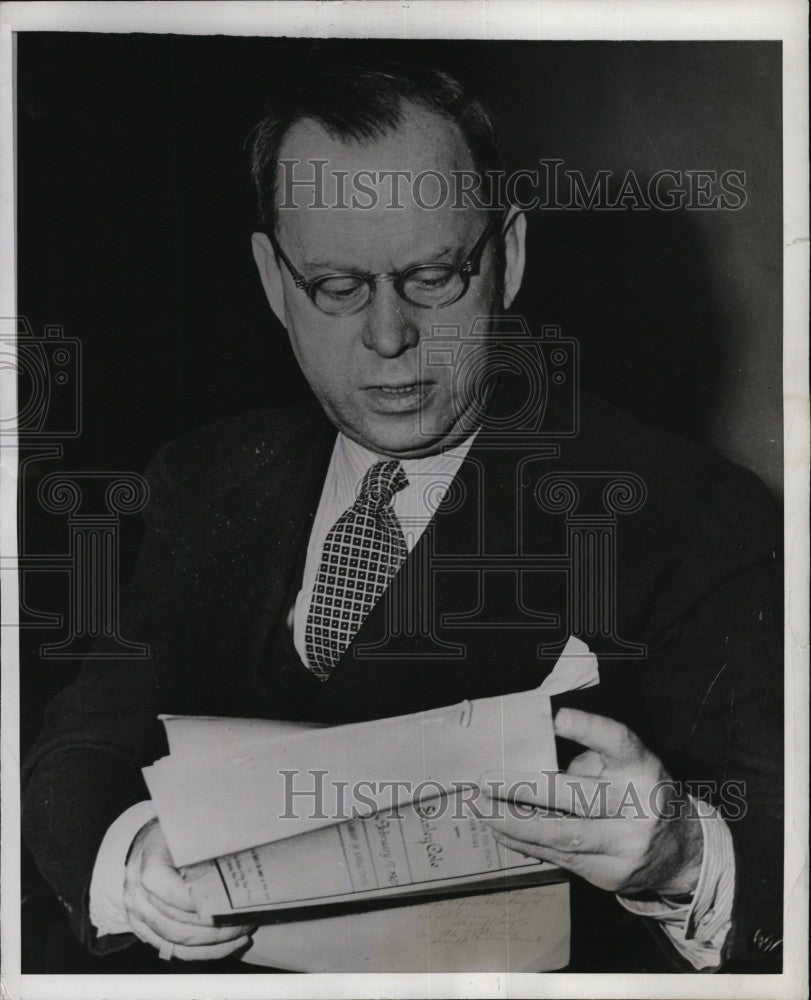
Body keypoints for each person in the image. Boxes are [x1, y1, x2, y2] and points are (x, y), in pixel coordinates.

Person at [22, 62, 782, 974]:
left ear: (508, 257)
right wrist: (132, 859)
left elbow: (783, 857)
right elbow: (83, 741)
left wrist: (684, 854)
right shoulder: (203, 478)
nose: (387, 337)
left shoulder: (698, 521)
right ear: (272, 279)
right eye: (335, 288)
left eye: (432, 277)